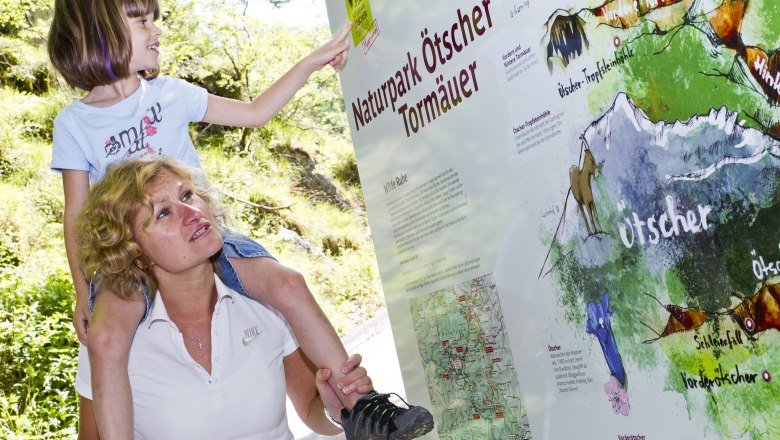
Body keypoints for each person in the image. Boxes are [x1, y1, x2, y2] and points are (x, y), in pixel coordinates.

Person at [46, 0, 434, 438]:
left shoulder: (172, 93)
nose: (156, 30)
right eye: (141, 21)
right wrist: (84, 292)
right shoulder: (74, 123)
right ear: (98, 31)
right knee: (103, 340)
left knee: (288, 283)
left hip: (207, 236)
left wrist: (309, 63)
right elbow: (75, 215)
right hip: (129, 258)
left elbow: (254, 113)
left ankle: (363, 408)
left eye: (155, 19)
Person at [74, 157, 374, 439]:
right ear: (134, 253)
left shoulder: (266, 304)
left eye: (188, 195)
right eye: (163, 212)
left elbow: (311, 408)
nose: (193, 213)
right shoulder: (116, 343)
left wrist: (338, 412)